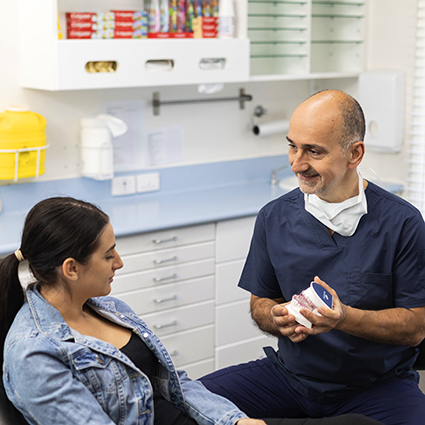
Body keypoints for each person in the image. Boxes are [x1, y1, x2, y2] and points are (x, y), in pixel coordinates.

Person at [0, 196, 382, 425]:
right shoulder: (34, 353)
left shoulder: (108, 309)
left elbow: (175, 382)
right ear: (71, 268)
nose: (119, 262)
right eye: (108, 254)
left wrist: (234, 421)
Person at [199, 90, 425, 425]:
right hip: (289, 380)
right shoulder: (274, 217)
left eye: (313, 151)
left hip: (377, 387)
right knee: (187, 404)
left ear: (354, 154)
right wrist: (273, 317)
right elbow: (261, 300)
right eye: (292, 146)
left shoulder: (402, 223)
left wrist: (343, 318)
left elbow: (416, 327)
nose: (296, 163)